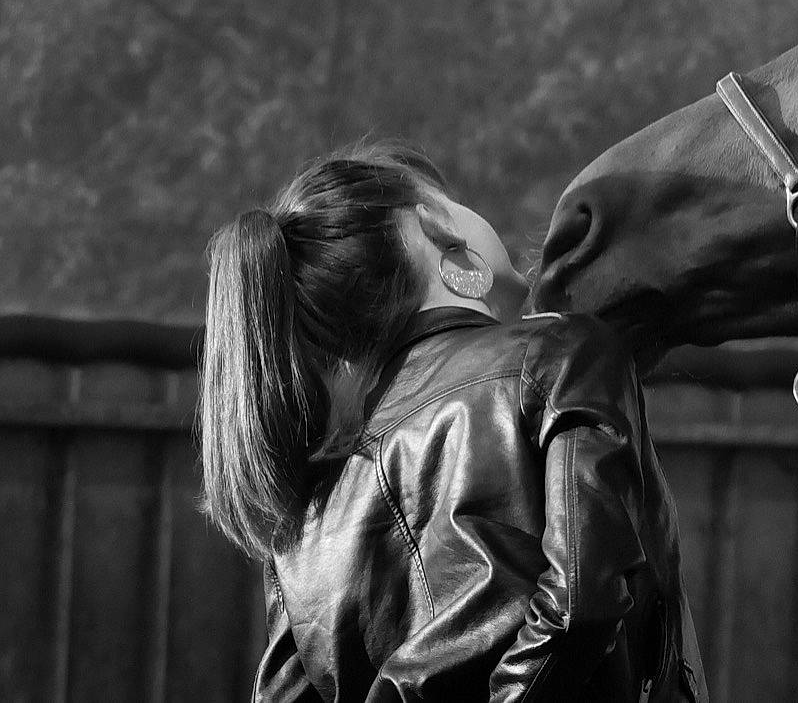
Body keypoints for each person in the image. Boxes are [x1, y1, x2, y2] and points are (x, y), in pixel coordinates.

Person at [197, 140, 706, 702]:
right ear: (437, 225)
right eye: (454, 200)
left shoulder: (307, 504)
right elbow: (583, 600)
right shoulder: (563, 356)